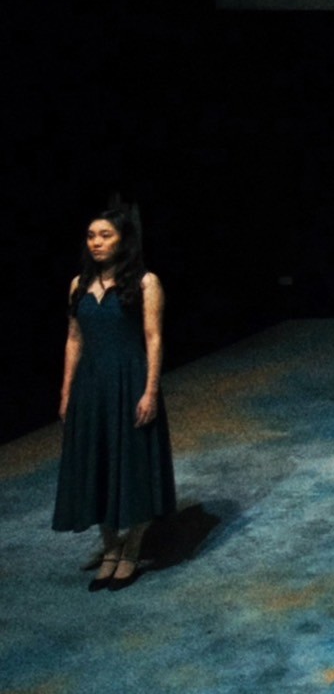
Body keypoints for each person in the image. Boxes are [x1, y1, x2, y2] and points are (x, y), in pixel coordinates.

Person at [54, 205, 176, 591]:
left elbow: (154, 338)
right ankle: (110, 548)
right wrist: (66, 391)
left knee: (134, 463)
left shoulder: (145, 283)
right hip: (92, 385)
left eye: (105, 235)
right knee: (98, 463)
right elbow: (74, 339)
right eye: (91, 236)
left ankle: (133, 547)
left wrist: (150, 390)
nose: (97, 242)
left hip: (130, 380)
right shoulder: (78, 284)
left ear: (123, 240)